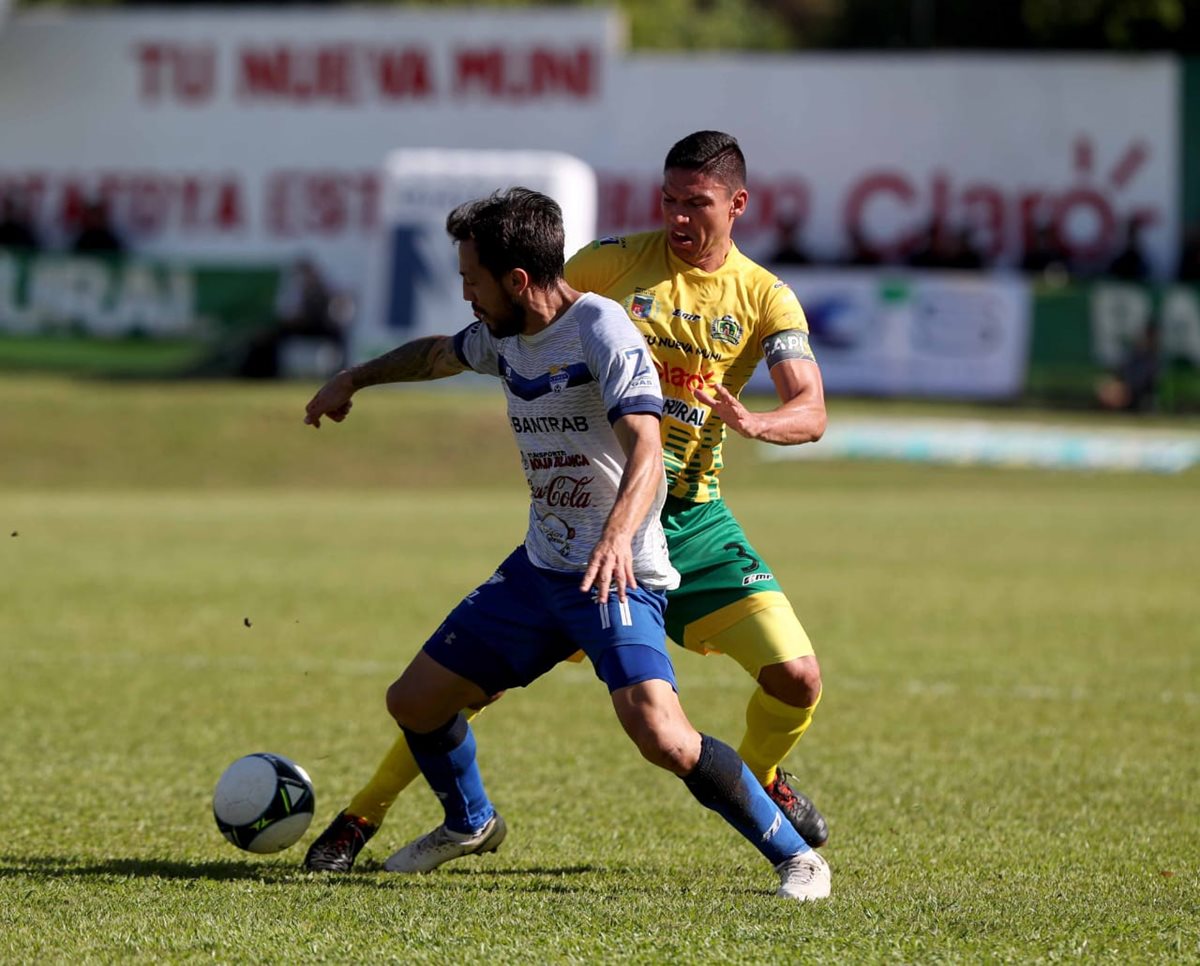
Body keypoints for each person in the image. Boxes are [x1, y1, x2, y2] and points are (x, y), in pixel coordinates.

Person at [304, 131, 831, 879]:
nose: (679, 218)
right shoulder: (595, 274)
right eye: (669, 201)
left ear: (738, 205)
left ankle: (776, 817)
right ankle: (398, 817)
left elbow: (802, 411)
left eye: (698, 204)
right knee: (423, 696)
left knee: (760, 694)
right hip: (559, 549)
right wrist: (354, 378)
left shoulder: (758, 297)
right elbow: (486, 332)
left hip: (673, 524)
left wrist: (754, 423)